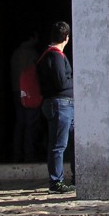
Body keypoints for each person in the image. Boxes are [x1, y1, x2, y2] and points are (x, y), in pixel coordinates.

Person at [38, 21, 74, 193]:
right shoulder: (55, 56)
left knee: (69, 141)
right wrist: (76, 82)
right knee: (59, 145)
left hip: (60, 104)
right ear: (66, 38)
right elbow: (60, 82)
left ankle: (74, 176)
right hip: (60, 104)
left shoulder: (48, 55)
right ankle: (56, 182)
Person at [10, 30, 42, 162]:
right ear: (31, 38)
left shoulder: (16, 53)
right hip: (29, 92)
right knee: (30, 124)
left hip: (16, 91)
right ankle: (29, 155)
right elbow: (35, 75)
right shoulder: (31, 53)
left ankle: (17, 154)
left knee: (20, 123)